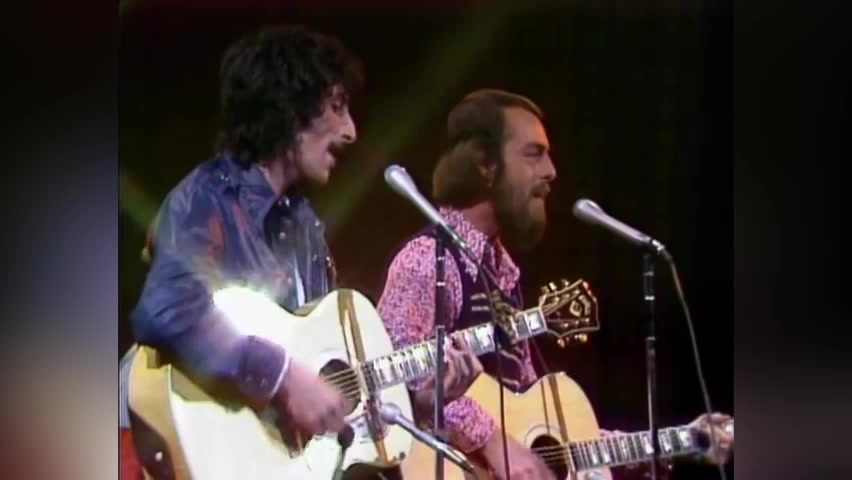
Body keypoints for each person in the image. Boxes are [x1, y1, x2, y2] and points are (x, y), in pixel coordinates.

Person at [376, 89, 734, 480]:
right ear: (485, 164)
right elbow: (391, 380)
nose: (550, 172)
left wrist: (679, 441)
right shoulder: (426, 259)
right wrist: (492, 440)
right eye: (534, 154)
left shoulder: (503, 276)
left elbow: (544, 428)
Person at [119, 24, 365, 479]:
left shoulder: (305, 226)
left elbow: (316, 364)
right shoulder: (209, 197)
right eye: (337, 106)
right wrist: (281, 375)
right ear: (289, 108)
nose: (351, 131)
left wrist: (420, 390)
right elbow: (168, 309)